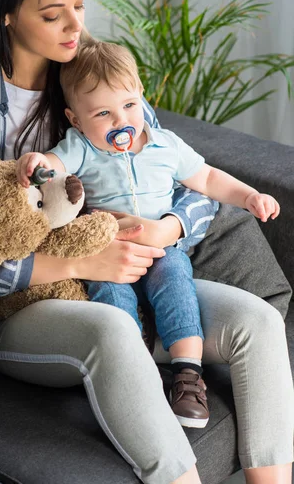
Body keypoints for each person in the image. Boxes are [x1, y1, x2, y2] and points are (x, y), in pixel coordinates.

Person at [0, 0, 293, 484]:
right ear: (6, 13)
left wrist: (168, 228)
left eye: (80, 6)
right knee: (112, 332)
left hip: (133, 275)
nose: (74, 27)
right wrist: (75, 265)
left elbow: (183, 173)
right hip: (28, 307)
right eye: (51, 13)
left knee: (257, 321)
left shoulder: (98, 74)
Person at [15, 40, 281, 429]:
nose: (120, 120)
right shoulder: (82, 148)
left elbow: (206, 178)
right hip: (108, 254)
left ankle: (188, 375)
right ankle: (136, 373)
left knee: (176, 282)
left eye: (128, 106)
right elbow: (53, 164)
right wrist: (37, 161)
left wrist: (249, 196)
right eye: (102, 113)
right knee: (109, 297)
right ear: (76, 119)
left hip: (162, 250)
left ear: (141, 97)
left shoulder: (164, 145)